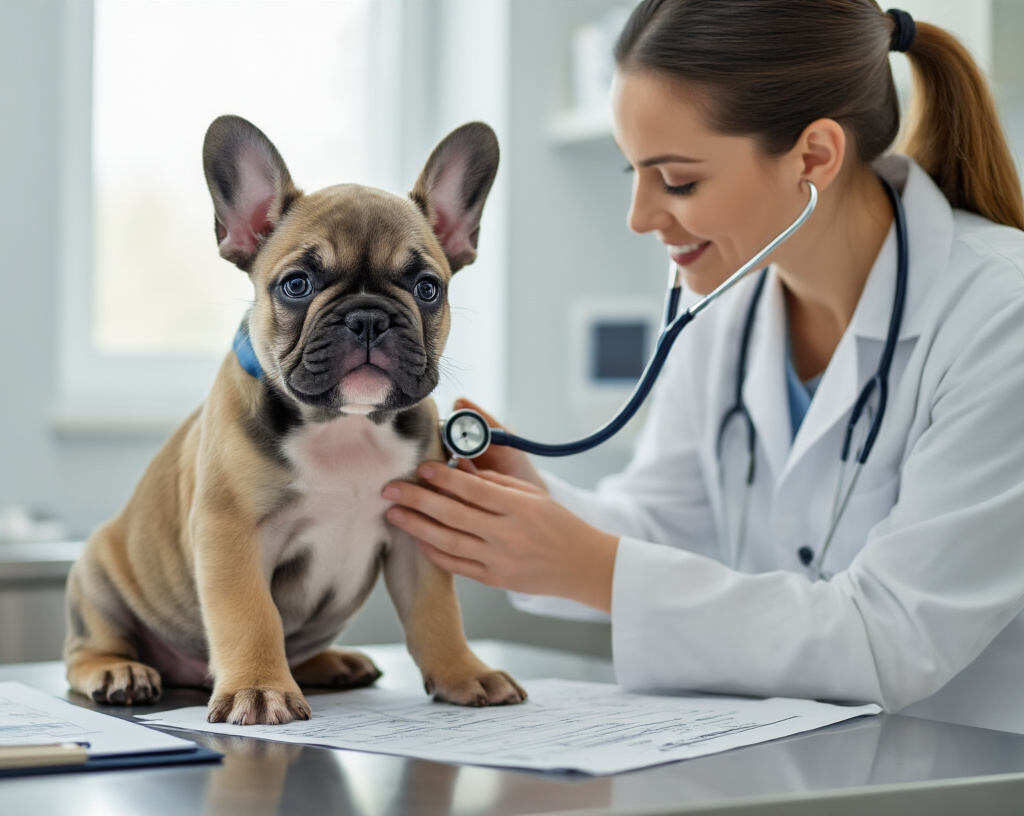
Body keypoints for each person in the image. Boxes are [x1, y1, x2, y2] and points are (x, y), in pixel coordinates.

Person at [381, 0, 1024, 735]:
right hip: (798, 765)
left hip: (974, 772)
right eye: (635, 172)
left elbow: (893, 638)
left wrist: (594, 568)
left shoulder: (1002, 316)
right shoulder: (727, 307)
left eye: (678, 180)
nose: (639, 216)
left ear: (814, 156)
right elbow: (669, 526)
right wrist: (529, 505)